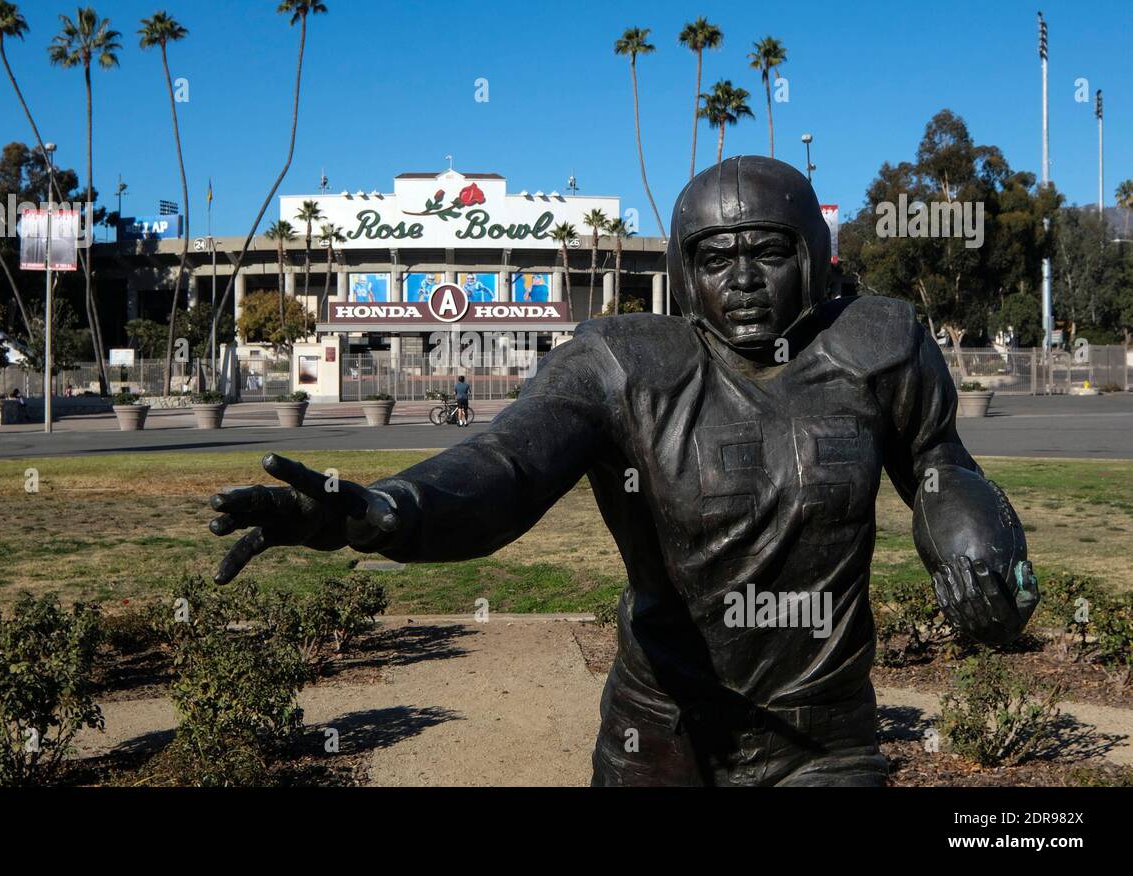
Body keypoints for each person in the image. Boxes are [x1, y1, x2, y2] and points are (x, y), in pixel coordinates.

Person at [208, 156, 1037, 787]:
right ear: (683, 272)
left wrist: (975, 546)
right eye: (717, 258)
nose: (743, 280)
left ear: (815, 258)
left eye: (769, 253)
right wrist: (384, 511)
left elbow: (937, 463)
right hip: (662, 725)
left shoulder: (878, 346)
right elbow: (507, 462)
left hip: (824, 735)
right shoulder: (623, 364)